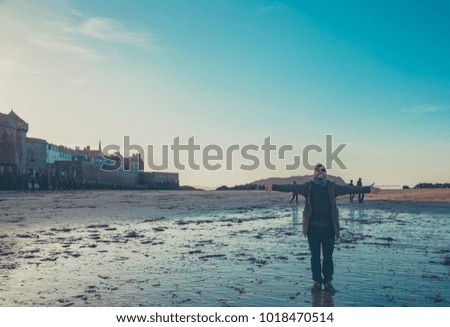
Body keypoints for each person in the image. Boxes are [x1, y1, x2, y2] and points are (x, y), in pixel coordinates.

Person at [266, 164, 378, 292]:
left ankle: (328, 282)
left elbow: (349, 189)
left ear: (326, 173)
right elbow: (291, 187)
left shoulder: (332, 187)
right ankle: (317, 282)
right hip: (312, 229)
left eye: (322, 170)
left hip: (329, 228)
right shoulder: (307, 187)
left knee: (328, 256)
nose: (320, 172)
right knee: (314, 256)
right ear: (314, 173)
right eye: (317, 170)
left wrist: (368, 189)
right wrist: (274, 186)